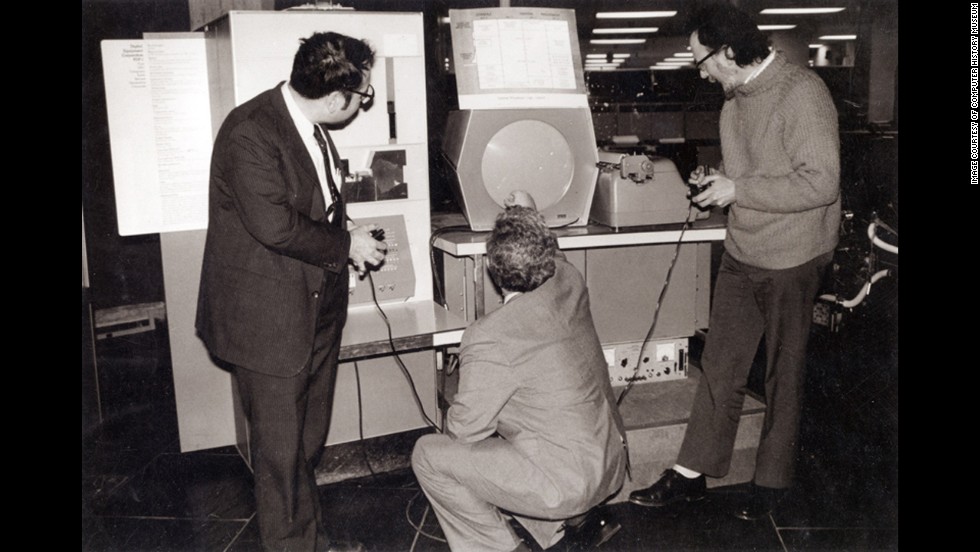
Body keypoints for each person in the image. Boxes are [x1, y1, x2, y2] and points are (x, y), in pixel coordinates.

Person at [628, 3, 840, 521]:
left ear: (728, 51)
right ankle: (691, 472)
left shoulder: (802, 93)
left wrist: (738, 188)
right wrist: (718, 183)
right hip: (744, 249)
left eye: (702, 60)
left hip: (793, 253)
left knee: (781, 373)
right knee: (720, 365)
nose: (699, 71)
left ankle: (772, 486)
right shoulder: (733, 103)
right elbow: (761, 169)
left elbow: (821, 182)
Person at [195, 31, 387, 552]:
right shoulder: (251, 133)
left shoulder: (312, 126)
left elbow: (312, 206)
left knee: (306, 443)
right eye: (363, 96)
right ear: (333, 98)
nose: (363, 103)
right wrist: (347, 244)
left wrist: (346, 237)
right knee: (280, 460)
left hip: (313, 309)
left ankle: (312, 542)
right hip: (268, 321)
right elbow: (276, 227)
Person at [412, 192, 628, 552]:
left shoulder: (489, 335)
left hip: (568, 484)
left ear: (491, 267)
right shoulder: (569, 280)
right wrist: (529, 210)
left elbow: (466, 430)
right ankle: (573, 527)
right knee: (520, 420)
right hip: (608, 462)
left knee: (429, 454)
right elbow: (553, 254)